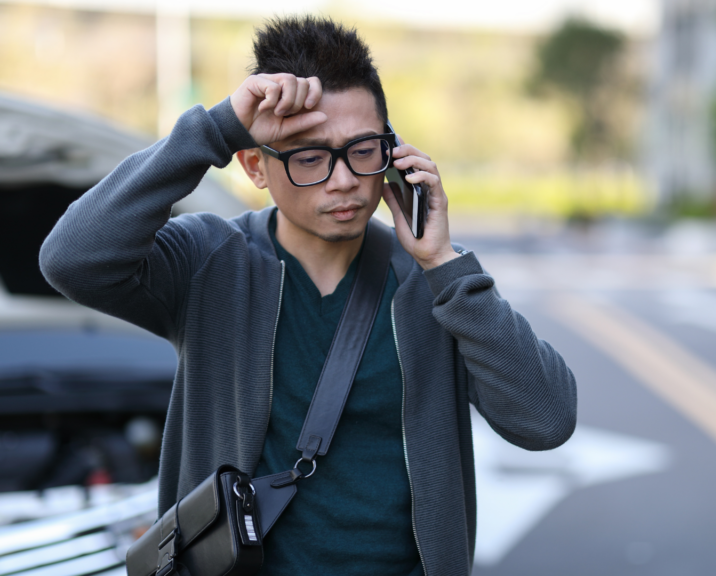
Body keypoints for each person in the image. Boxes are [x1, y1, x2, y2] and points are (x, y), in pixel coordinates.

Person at [39, 15, 576, 576]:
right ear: (255, 167)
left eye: (363, 150)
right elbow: (72, 258)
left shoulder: (434, 284)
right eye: (309, 157)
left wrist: (444, 264)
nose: (343, 180)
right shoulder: (209, 260)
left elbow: (547, 420)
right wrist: (218, 129)